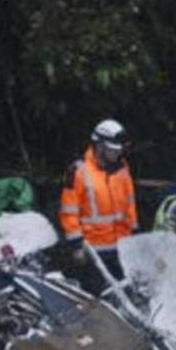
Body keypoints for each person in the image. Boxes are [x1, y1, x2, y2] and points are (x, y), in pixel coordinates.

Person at [59, 119, 138, 291]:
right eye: (113, 150)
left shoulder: (122, 169)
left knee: (126, 293)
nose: (118, 154)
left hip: (122, 247)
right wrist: (76, 246)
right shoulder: (78, 171)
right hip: (93, 251)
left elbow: (129, 204)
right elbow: (69, 212)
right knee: (96, 297)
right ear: (100, 145)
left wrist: (134, 234)